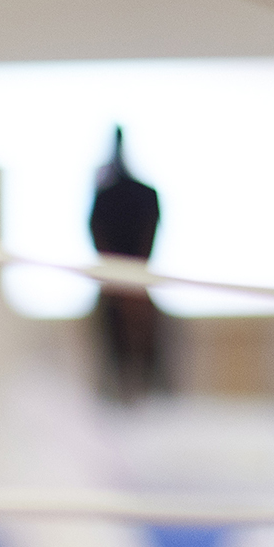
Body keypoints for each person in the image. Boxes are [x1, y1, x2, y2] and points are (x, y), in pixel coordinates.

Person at [87, 126, 166, 401]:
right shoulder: (108, 193)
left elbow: (149, 230)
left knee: (150, 356)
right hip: (119, 283)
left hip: (132, 281)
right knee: (111, 356)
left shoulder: (138, 193)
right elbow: (97, 233)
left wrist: (133, 276)